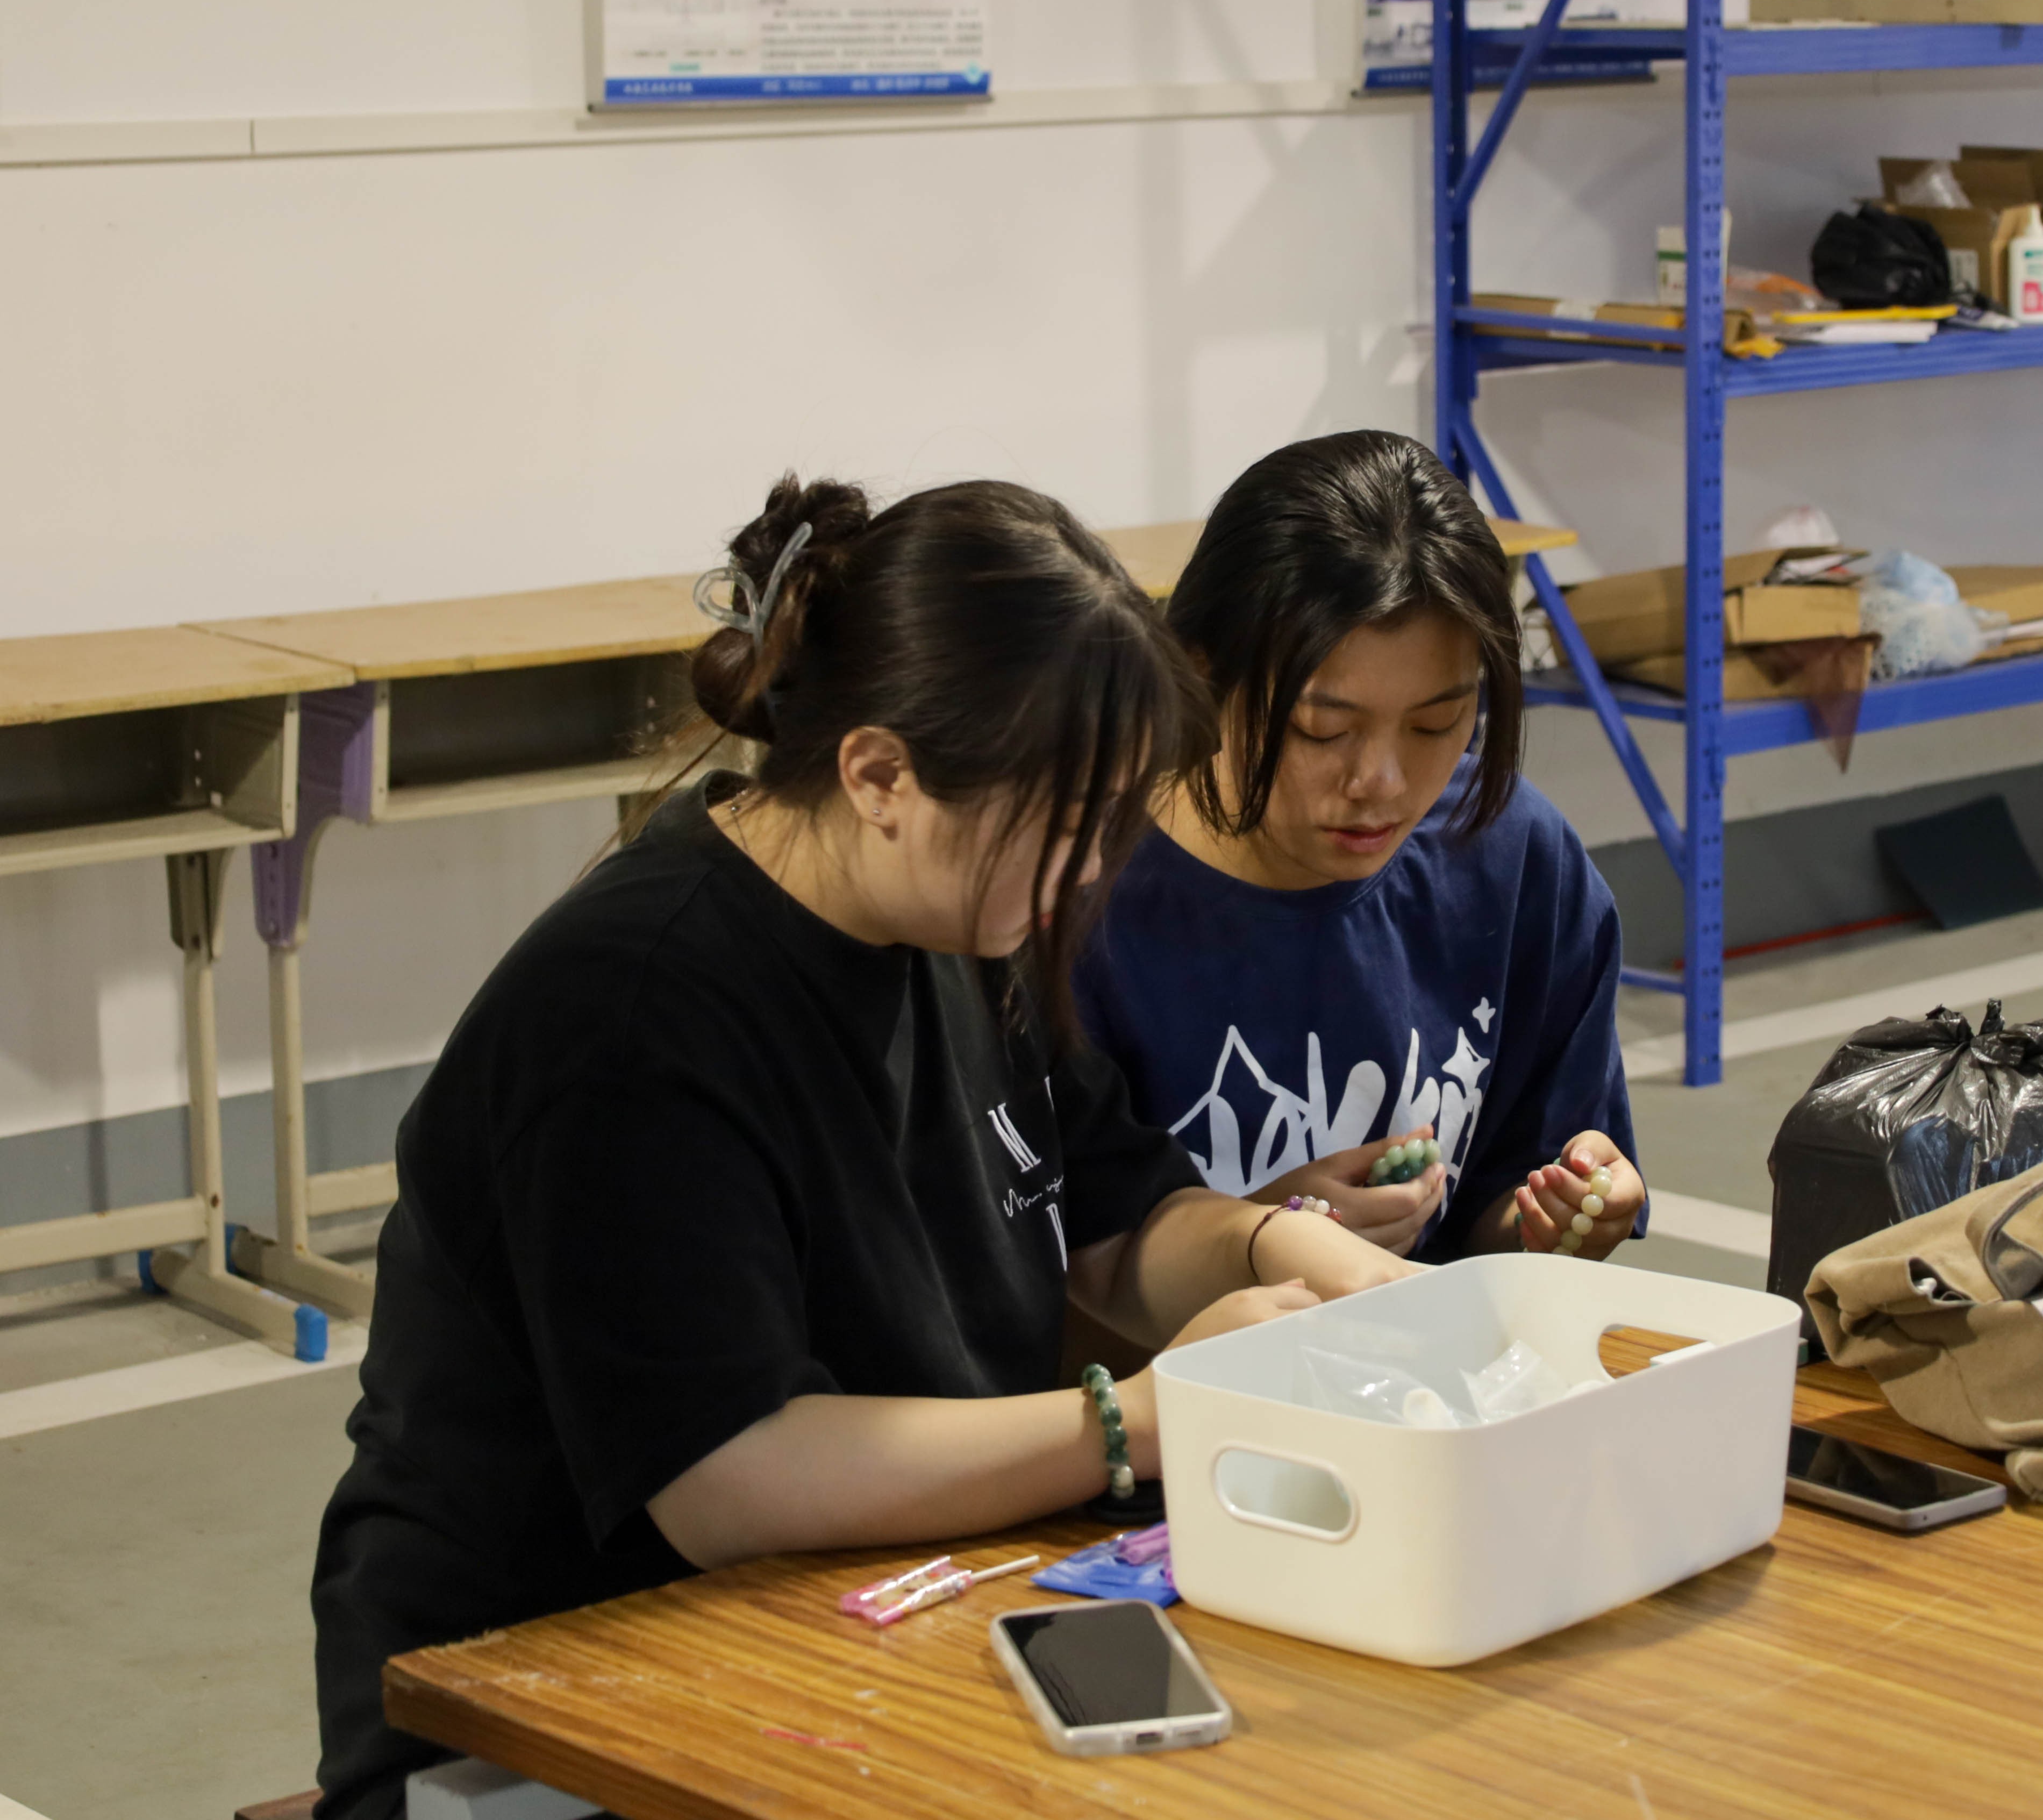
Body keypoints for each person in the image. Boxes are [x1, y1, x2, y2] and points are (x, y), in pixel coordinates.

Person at [310, 475, 1417, 1820]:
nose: (1089, 869)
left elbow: (1118, 1218)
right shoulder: (634, 1007)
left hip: (874, 1612)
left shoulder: (963, 916)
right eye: (1064, 822)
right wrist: (1139, 1418)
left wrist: (1284, 1254)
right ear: (880, 774)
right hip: (547, 1701)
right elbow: (732, 1475)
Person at [1074, 430, 1645, 1266]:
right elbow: (1044, 1295)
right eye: (1322, 728)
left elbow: (1495, 1225)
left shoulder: (1516, 859)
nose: (1381, 781)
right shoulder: (1077, 900)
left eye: (1437, 723)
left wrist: (1556, 1221)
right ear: (1199, 675)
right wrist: (1251, 1241)